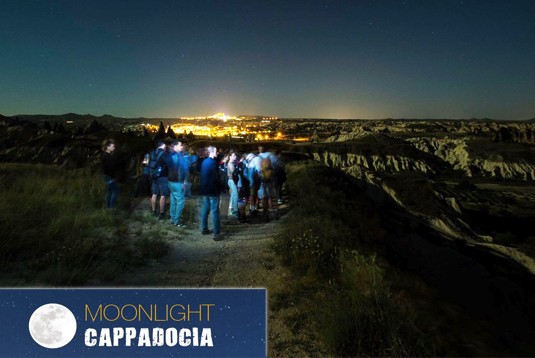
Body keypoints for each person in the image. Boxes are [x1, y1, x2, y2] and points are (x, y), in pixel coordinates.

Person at [164, 140, 189, 227]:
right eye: (180, 145)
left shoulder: (170, 154)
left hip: (170, 181)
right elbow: (179, 170)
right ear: (175, 146)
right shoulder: (176, 156)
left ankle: (173, 218)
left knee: (173, 200)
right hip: (177, 182)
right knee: (181, 201)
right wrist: (183, 181)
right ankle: (177, 221)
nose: (181, 147)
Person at [200, 145, 222, 241]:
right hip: (213, 189)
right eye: (216, 151)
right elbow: (215, 177)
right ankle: (216, 233)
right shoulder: (213, 162)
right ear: (211, 152)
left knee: (205, 209)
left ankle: (204, 228)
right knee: (214, 211)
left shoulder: (204, 161)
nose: (217, 153)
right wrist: (220, 187)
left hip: (204, 189)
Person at [148, 141, 169, 219]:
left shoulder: (153, 152)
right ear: (163, 145)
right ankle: (162, 213)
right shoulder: (164, 154)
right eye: (165, 146)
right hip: (163, 176)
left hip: (154, 176)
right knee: (163, 196)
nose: (165, 147)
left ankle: (153, 211)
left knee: (154, 194)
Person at [101, 139, 120, 209]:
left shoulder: (106, 155)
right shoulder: (106, 156)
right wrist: (113, 177)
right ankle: (111, 208)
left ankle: (108, 208)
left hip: (107, 176)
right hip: (109, 177)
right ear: (108, 147)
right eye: (112, 146)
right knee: (116, 191)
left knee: (109, 191)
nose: (114, 147)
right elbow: (109, 168)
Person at [226, 150, 239, 218]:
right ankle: (235, 211)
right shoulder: (230, 163)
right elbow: (234, 172)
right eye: (234, 155)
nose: (235, 157)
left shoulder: (233, 163)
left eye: (236, 155)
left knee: (233, 195)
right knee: (235, 195)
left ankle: (231, 209)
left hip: (232, 180)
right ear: (230, 156)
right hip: (232, 181)